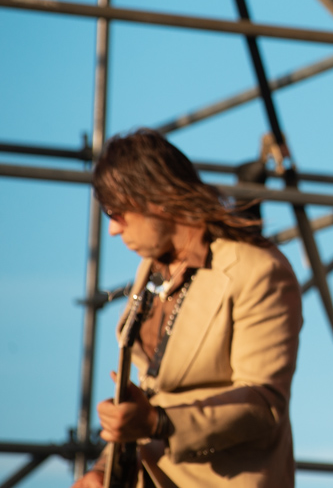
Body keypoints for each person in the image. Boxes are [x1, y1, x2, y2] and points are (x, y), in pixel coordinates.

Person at [73, 128, 303, 487]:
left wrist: (157, 423)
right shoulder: (150, 269)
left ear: (156, 198)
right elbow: (152, 393)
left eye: (116, 212)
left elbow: (264, 402)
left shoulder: (257, 269)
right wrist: (104, 469)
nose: (113, 230)